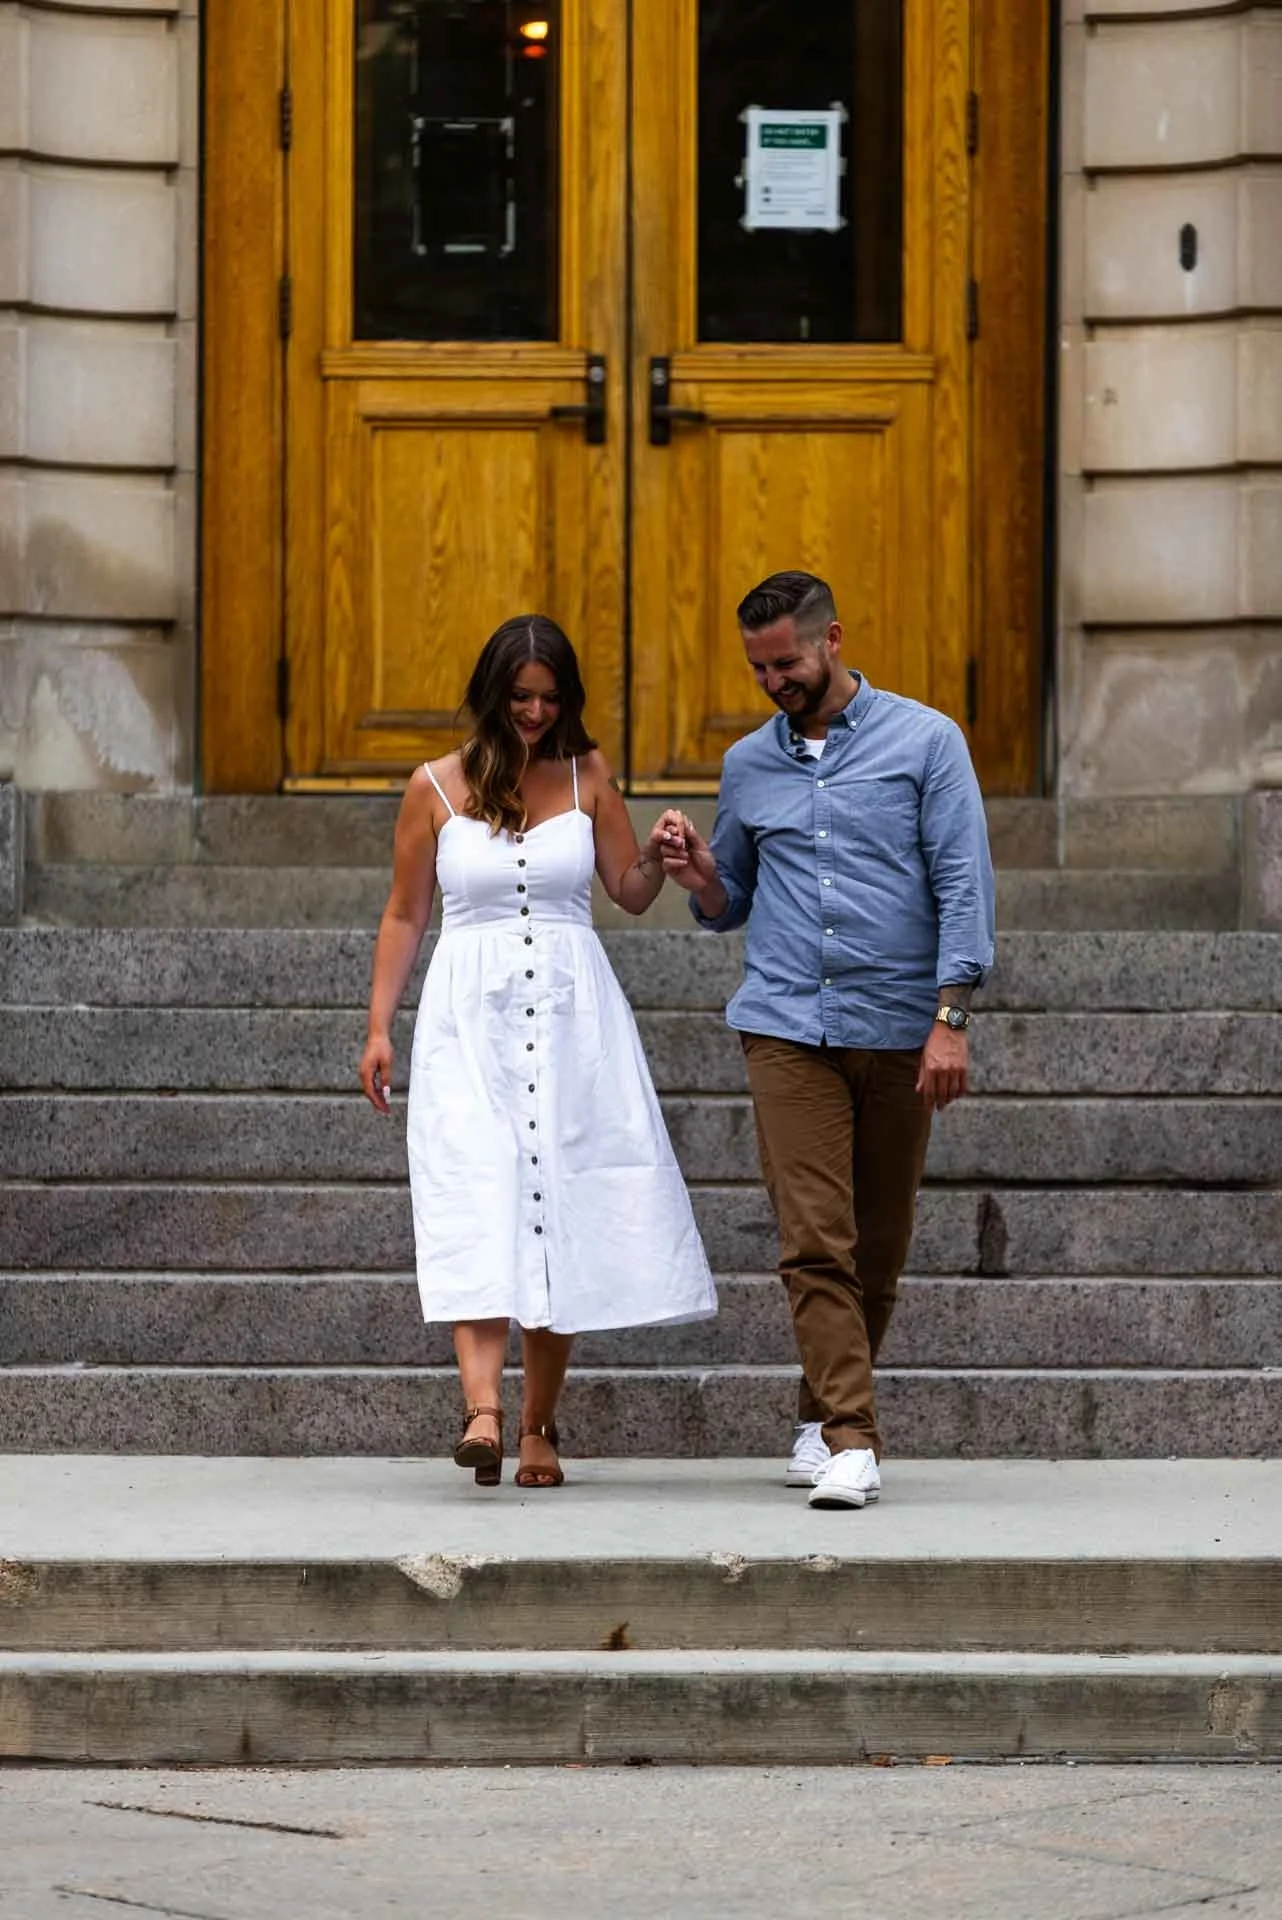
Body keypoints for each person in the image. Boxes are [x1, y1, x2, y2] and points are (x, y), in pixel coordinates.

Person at [360, 615, 716, 1491]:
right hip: (469, 1022)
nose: (534, 712)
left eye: (550, 698)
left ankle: (538, 1426)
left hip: (572, 1020)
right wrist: (379, 1027)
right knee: (476, 1193)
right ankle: (481, 1411)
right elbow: (405, 912)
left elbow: (627, 891)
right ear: (492, 693)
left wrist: (660, 857)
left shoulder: (589, 773)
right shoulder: (433, 787)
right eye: (520, 697)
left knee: (561, 1207)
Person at [662, 571, 994, 1510]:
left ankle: (818, 1417)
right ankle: (853, 1439)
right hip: (785, 1025)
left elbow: (963, 881)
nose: (775, 682)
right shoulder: (747, 765)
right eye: (759, 669)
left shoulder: (927, 742)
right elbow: (731, 899)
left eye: (788, 662)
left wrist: (951, 1018)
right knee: (815, 1238)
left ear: (833, 639)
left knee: (877, 1247)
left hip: (897, 1023)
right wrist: (701, 876)